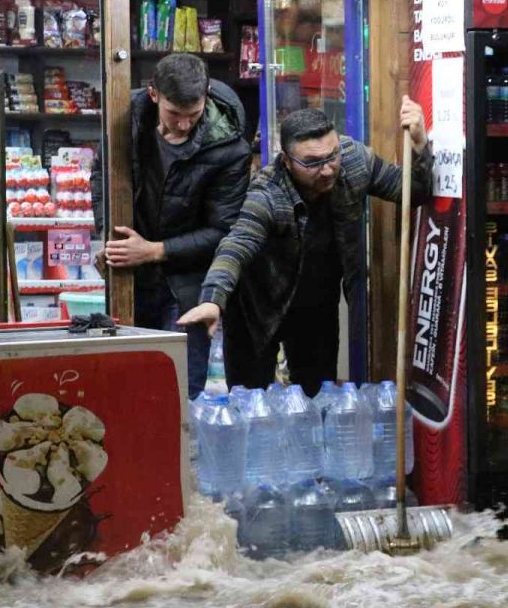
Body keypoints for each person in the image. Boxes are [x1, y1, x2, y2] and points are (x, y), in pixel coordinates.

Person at [177, 99, 431, 397]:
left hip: (316, 305)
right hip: (257, 309)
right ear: (287, 161)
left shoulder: (354, 160)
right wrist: (213, 300)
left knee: (316, 400)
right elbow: (237, 244)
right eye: (312, 163)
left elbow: (414, 190)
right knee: (249, 402)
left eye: (331, 156)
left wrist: (419, 142)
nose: (326, 170)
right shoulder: (267, 192)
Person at [105, 53, 250, 398]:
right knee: (128, 388)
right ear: (154, 94)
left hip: (189, 282)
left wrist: (153, 251)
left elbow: (223, 230)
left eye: (193, 115)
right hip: (132, 279)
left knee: (181, 390)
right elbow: (104, 178)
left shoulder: (230, 148)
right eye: (174, 114)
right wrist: (108, 237)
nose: (184, 124)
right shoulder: (128, 121)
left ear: (208, 94)